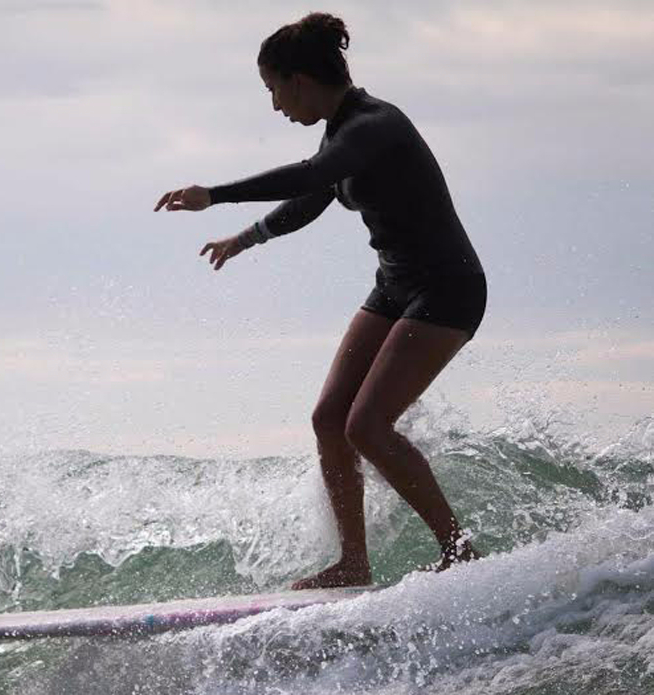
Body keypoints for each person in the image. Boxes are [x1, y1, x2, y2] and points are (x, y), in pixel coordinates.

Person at [154, 12, 486, 589]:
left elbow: (312, 176)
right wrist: (247, 238)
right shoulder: (340, 131)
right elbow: (316, 195)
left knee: (369, 425)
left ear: (299, 80)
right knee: (330, 419)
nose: (276, 105)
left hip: (447, 286)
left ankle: (460, 552)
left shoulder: (374, 126)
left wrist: (217, 196)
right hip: (396, 284)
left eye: (273, 89)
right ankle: (353, 563)